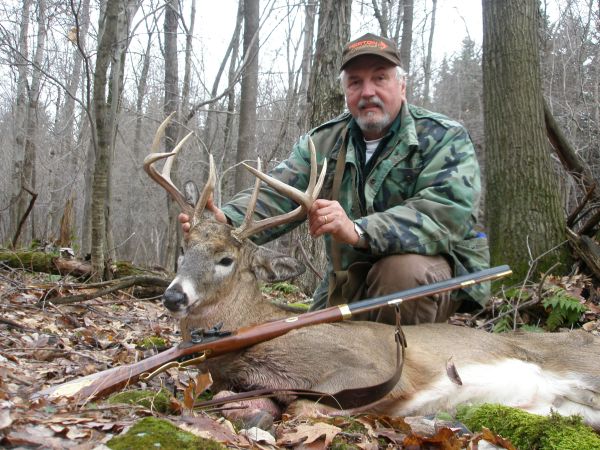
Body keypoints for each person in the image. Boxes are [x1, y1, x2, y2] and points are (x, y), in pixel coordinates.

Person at [180, 33, 490, 325]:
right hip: (350, 278)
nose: (367, 92)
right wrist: (225, 222)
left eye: (379, 78)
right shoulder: (325, 142)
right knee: (303, 342)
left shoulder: (443, 137)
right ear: (346, 92)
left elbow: (447, 212)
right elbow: (279, 191)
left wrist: (358, 230)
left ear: (402, 86)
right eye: (356, 82)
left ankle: (404, 372)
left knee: (400, 273)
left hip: (430, 273)